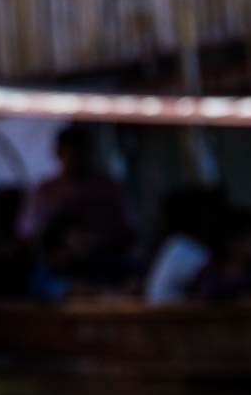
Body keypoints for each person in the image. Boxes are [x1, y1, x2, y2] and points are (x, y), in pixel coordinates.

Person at [21, 124, 135, 291]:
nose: (77, 160)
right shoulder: (45, 192)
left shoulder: (106, 188)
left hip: (105, 270)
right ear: (59, 153)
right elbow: (27, 235)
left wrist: (95, 243)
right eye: (71, 154)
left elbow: (129, 232)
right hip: (57, 275)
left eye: (81, 153)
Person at [143, 187, 224, 303]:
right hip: (171, 318)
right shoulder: (184, 248)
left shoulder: (174, 244)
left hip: (166, 317)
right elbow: (213, 287)